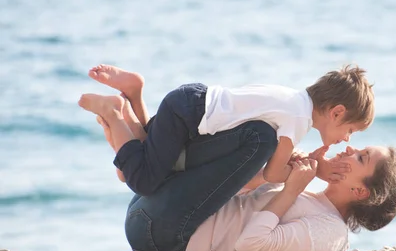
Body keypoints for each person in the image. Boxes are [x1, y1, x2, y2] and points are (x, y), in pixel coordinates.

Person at [95, 93, 396, 251]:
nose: (347, 150)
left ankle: (128, 127)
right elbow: (234, 188)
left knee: (260, 139)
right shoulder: (311, 193)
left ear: (361, 191)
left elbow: (252, 244)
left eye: (360, 158)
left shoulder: (331, 235)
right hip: (158, 210)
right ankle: (134, 120)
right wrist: (287, 170)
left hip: (166, 239)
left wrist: (288, 189)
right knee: (260, 139)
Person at [78, 64, 374, 196]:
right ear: (336, 112)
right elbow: (272, 174)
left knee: (146, 153)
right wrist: (312, 171)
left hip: (190, 104)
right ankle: (114, 112)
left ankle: (134, 93)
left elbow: (275, 162)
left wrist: (294, 161)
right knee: (142, 180)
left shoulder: (293, 99)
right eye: (350, 130)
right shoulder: (298, 120)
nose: (346, 139)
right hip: (188, 117)